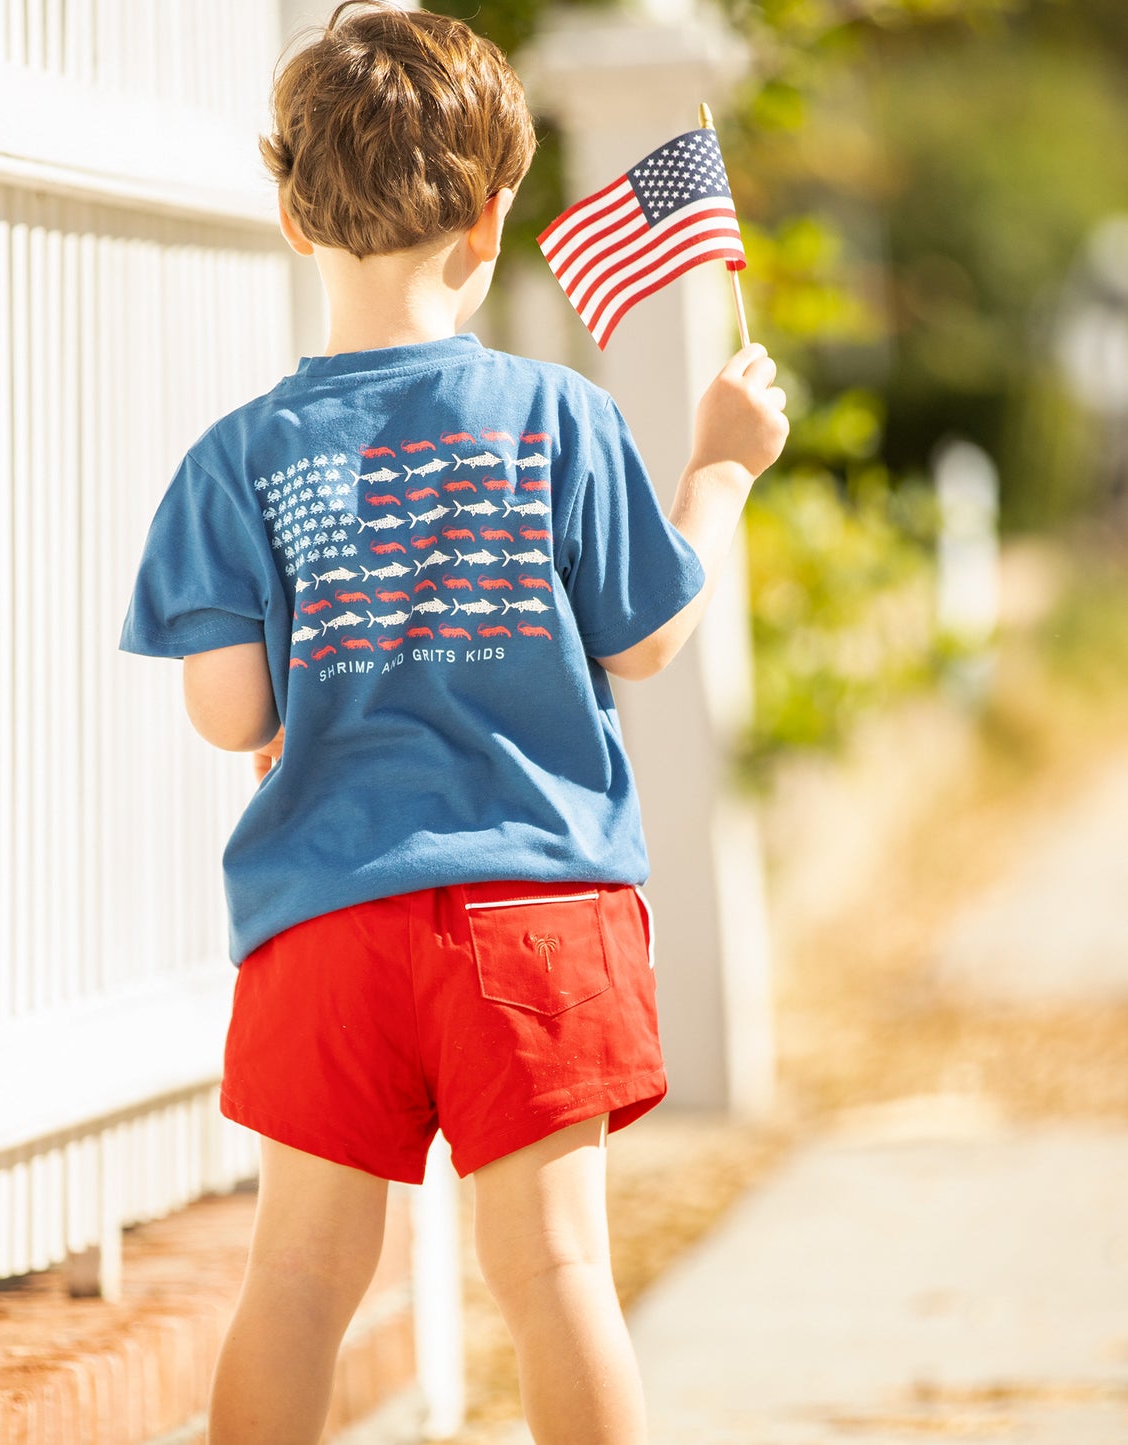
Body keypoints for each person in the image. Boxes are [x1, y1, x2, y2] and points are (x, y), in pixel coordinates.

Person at [118, 4, 788, 1441]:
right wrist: (720, 474)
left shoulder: (234, 458)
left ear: (295, 214)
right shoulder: (553, 416)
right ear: (490, 222)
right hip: (536, 910)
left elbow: (227, 704)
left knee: (296, 1273)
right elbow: (646, 636)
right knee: (554, 1270)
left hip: (329, 919)